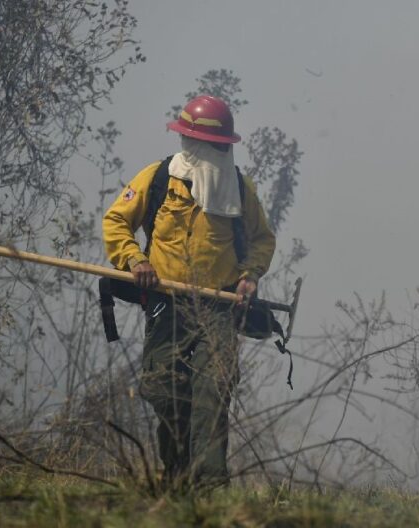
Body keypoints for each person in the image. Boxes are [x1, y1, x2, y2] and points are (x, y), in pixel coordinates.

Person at [102, 95, 276, 487]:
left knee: (212, 394)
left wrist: (250, 275)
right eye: (196, 142)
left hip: (218, 307)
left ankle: (209, 488)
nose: (206, 151)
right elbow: (116, 221)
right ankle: (177, 476)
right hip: (165, 303)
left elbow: (262, 240)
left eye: (216, 145)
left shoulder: (241, 190)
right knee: (163, 389)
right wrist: (134, 261)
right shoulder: (158, 178)